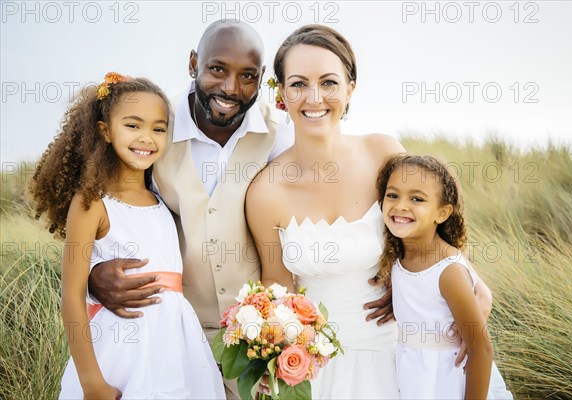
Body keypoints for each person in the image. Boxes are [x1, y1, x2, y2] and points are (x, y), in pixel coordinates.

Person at [85, 20, 393, 398]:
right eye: (217, 69)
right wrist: (91, 275)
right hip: (175, 331)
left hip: (253, 344)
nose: (231, 88)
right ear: (193, 63)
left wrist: (404, 278)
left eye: (247, 76)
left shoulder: (280, 133)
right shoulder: (154, 131)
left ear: (263, 79)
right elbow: (106, 206)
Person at [245, 25, 493, 398]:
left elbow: (431, 232)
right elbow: (276, 288)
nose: (314, 97)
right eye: (298, 84)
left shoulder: (382, 152)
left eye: (329, 82)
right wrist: (268, 360)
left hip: (399, 356)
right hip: (317, 367)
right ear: (281, 93)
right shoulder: (265, 192)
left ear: (350, 89)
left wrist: (475, 285)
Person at [30, 73, 225, 399]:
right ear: (105, 131)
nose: (146, 138)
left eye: (158, 128)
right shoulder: (92, 203)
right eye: (133, 125)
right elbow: (72, 298)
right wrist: (92, 382)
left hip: (176, 349)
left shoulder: (163, 200)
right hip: (120, 350)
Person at [377, 154, 512, 399]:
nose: (401, 205)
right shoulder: (400, 258)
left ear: (441, 213)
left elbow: (481, 349)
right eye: (392, 195)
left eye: (417, 199)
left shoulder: (447, 271)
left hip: (449, 379)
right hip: (414, 376)